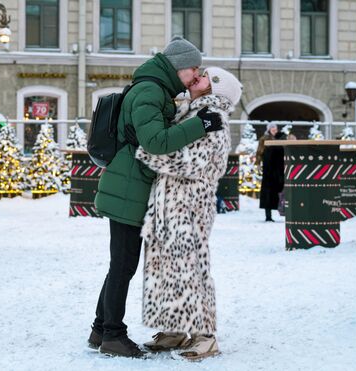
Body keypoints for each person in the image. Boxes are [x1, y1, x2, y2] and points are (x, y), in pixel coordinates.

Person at [88, 37, 224, 358]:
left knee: (119, 264)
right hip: (129, 189)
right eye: (193, 68)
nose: (195, 75)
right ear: (179, 67)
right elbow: (156, 142)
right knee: (123, 265)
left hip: (129, 186)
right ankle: (112, 335)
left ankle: (99, 329)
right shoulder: (150, 91)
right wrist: (199, 124)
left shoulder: (156, 89)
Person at [135, 67, 243, 360]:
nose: (199, 76)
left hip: (190, 204)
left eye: (208, 77)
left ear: (216, 90)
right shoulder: (188, 113)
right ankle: (174, 327)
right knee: (166, 266)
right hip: (168, 203)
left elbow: (193, 163)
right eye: (202, 72)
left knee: (191, 268)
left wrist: (149, 152)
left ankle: (205, 335)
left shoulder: (214, 118)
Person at [256, 123, 285, 222]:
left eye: (275, 128)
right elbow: (259, 151)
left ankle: (283, 211)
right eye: (272, 127)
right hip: (269, 169)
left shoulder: (281, 137)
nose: (274, 129)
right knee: (268, 192)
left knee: (280, 191)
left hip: (279, 169)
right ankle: (268, 216)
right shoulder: (264, 138)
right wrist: (258, 163)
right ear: (269, 129)